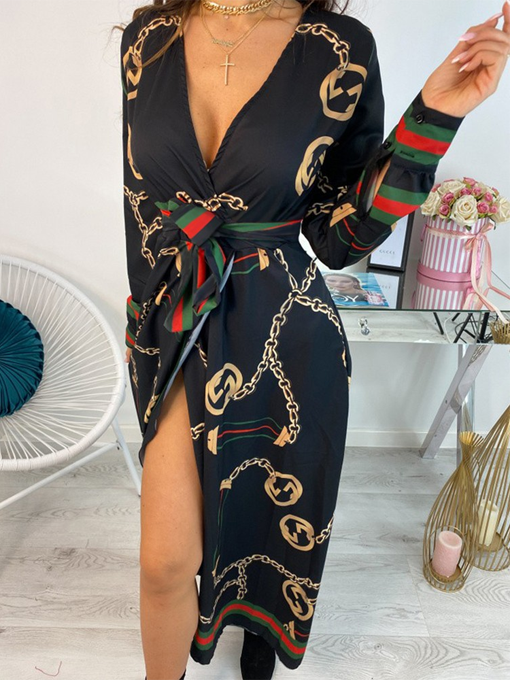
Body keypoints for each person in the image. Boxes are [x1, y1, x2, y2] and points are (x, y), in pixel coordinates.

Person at [118, 1, 510, 678]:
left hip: (285, 332)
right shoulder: (147, 36)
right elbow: (140, 206)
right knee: (164, 563)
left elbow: (338, 235)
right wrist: (148, 320)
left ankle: (259, 631)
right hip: (179, 321)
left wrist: (434, 116)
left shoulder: (340, 47)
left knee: (269, 521)